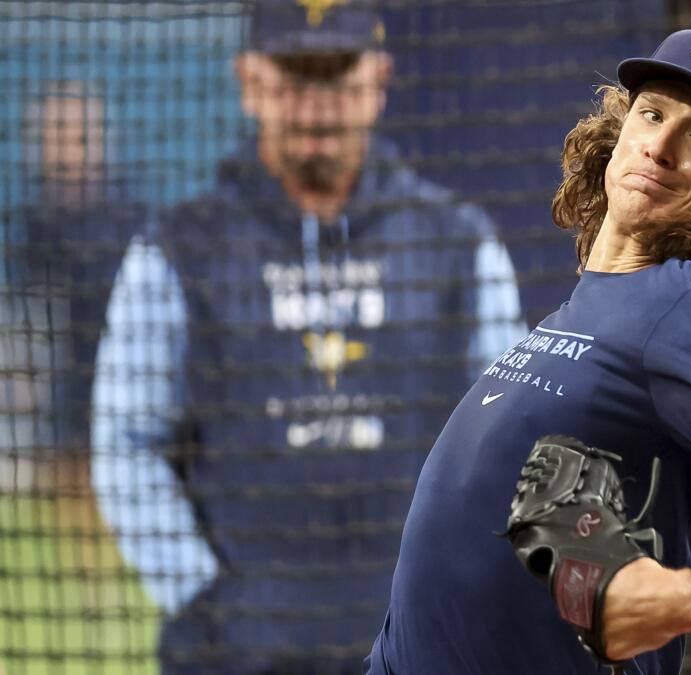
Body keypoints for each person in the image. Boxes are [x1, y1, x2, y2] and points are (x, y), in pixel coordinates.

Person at [366, 6, 691, 674]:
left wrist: (688, 592)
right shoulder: (620, 312)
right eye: (652, 114)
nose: (661, 145)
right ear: (618, 130)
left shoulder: (682, 310)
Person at [89, 1, 524, 673]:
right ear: (248, 82)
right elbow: (125, 442)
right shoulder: (176, 252)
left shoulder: (460, 245)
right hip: (234, 654)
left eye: (337, 77)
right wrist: (205, 597)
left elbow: (510, 437)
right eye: (295, 77)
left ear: (378, 81)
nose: (316, 106)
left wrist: (468, 582)